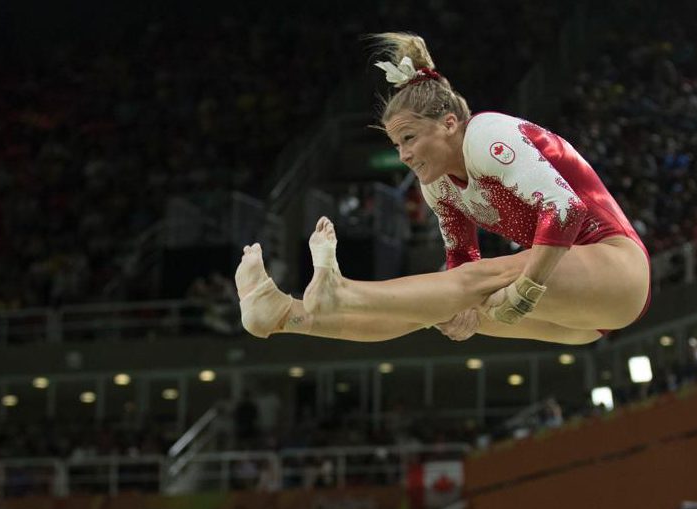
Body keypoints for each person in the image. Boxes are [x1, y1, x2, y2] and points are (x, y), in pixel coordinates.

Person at [236, 33, 651, 345]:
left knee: (484, 277)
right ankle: (284, 315)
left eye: (410, 138)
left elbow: (564, 210)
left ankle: (341, 291)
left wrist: (526, 288)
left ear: (449, 123)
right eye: (397, 145)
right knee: (430, 309)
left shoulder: (486, 135)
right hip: (582, 321)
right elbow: (460, 261)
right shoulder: (438, 187)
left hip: (618, 270)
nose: (403, 156)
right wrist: (456, 313)